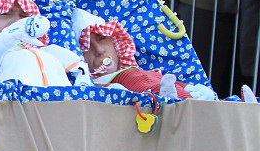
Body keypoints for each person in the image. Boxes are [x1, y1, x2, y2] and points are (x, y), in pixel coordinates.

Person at [72, 8, 217, 100]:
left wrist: (197, 91)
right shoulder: (97, 88)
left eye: (102, 39)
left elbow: (175, 84)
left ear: (116, 42)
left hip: (188, 105)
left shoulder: (143, 72)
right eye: (87, 46)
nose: (99, 50)